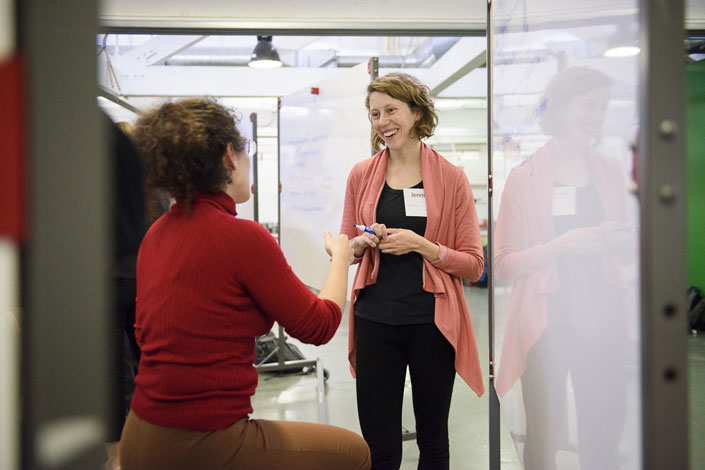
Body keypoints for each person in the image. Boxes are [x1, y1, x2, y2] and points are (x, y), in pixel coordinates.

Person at [119, 98, 370, 470]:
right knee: (354, 455)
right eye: (246, 148)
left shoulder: (157, 233)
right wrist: (341, 257)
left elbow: (144, 332)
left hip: (140, 434)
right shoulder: (242, 237)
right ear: (228, 157)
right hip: (201, 441)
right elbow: (319, 325)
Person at [337, 73, 485, 469]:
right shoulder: (361, 174)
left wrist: (421, 245)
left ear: (416, 113)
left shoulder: (451, 178)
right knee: (379, 444)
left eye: (390, 110)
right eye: (374, 114)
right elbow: (346, 250)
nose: (382, 121)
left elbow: (474, 263)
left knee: (433, 439)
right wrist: (359, 243)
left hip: (431, 325)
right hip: (374, 322)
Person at [493, 66, 636, 469]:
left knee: (604, 428)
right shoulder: (525, 177)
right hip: (547, 321)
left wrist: (621, 242)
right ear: (561, 107)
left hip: (603, 315)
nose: (597, 115)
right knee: (545, 434)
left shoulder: (608, 170)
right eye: (589, 105)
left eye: (603, 108)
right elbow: (502, 264)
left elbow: (627, 252)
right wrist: (558, 246)